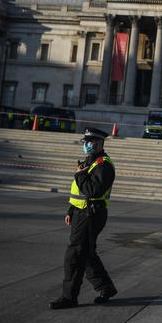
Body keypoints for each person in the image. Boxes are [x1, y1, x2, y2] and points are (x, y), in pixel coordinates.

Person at [49, 127, 117, 310]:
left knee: (75, 254)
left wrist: (79, 174)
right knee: (86, 253)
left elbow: (93, 191)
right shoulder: (90, 161)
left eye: (90, 143)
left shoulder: (103, 165)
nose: (86, 145)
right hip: (82, 212)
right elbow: (80, 191)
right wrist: (71, 210)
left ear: (99, 143)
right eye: (85, 142)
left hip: (91, 214)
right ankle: (106, 287)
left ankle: (69, 297)